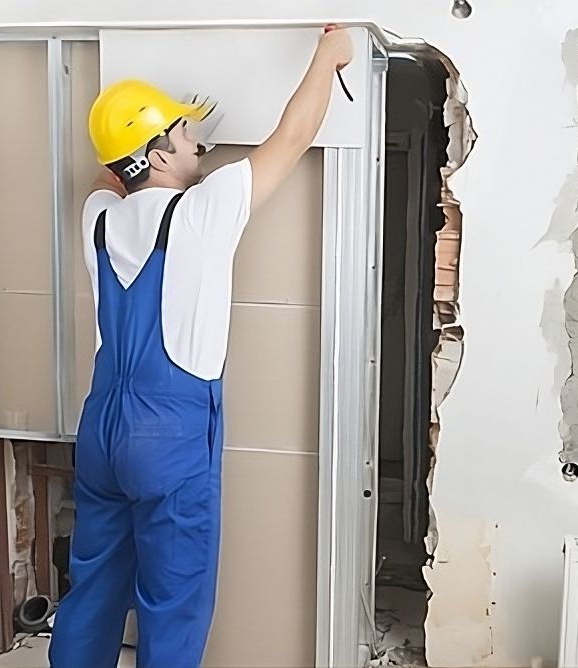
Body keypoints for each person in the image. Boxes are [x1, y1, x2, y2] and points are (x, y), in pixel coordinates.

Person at [49, 26, 353, 668]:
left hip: (101, 431)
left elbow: (113, 172)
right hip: (170, 435)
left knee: (94, 591)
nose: (198, 142)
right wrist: (330, 55)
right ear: (156, 156)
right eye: (185, 134)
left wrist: (136, 146)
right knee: (173, 601)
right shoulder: (201, 213)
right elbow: (293, 137)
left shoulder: (98, 218)